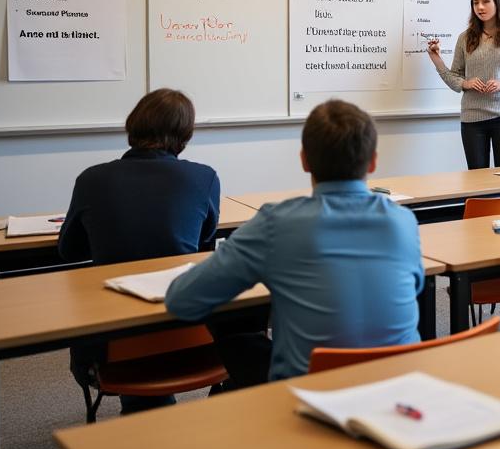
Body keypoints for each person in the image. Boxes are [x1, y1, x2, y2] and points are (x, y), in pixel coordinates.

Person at [166, 99, 426, 386]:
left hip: (311, 396)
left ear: (304, 160)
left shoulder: (276, 224)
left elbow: (181, 300)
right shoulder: (403, 221)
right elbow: (413, 288)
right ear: (374, 161)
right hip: (401, 391)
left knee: (238, 335)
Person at [59, 88, 222, 413]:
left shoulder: (92, 179)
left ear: (132, 125)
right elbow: (204, 245)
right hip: (192, 337)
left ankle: (147, 412)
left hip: (110, 344)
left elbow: (69, 251)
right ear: (185, 134)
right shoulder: (203, 178)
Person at [427, 0, 500, 169]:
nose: (480, 7)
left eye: (485, 1)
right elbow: (454, 77)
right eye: (475, 3)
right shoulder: (465, 38)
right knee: (477, 179)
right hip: (473, 119)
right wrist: (460, 79)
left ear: (497, 2)